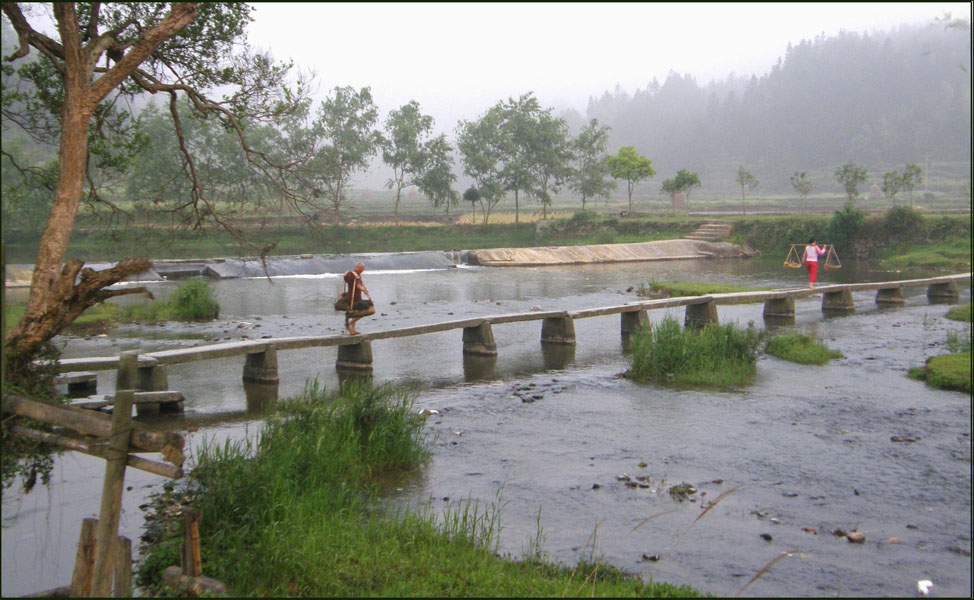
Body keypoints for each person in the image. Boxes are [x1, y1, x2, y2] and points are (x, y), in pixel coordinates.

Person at [343, 262, 372, 335]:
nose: (363, 270)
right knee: (363, 312)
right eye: (363, 268)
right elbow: (357, 285)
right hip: (355, 298)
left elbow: (346, 279)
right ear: (360, 268)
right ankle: (350, 324)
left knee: (356, 313)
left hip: (352, 297)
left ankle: (352, 330)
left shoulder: (350, 274)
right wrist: (363, 290)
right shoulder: (354, 274)